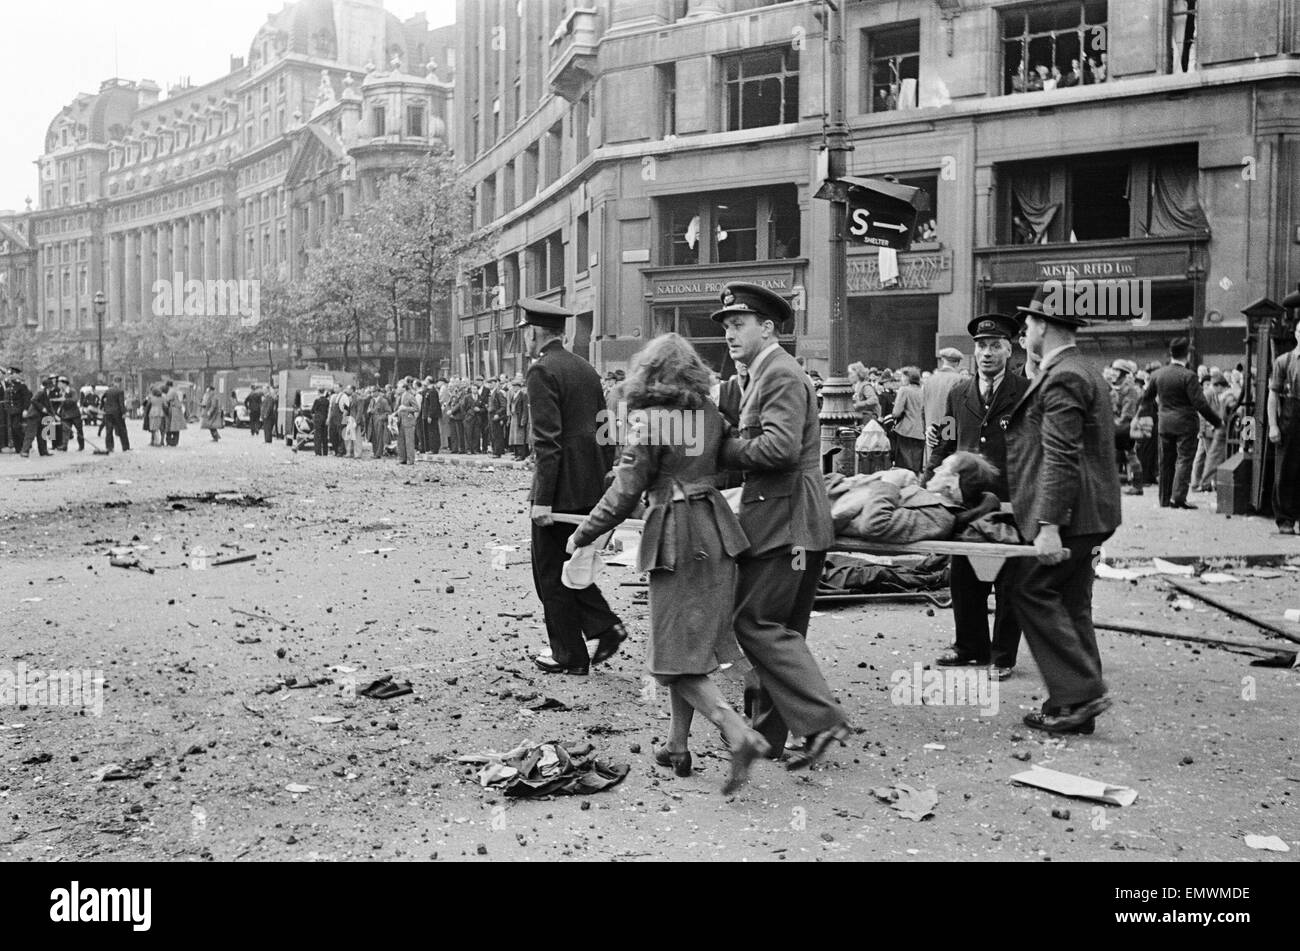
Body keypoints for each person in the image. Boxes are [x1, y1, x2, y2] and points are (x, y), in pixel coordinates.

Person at [568, 333, 768, 794]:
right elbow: (726, 461)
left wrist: (582, 535)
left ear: (648, 372)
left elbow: (624, 492)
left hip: (677, 536)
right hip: (716, 528)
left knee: (670, 656)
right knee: (687, 647)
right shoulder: (710, 413)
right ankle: (677, 745)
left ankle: (737, 732)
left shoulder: (647, 420)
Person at [712, 282, 853, 770]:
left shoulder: (779, 373)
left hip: (783, 518)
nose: (730, 334)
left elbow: (778, 449)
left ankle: (821, 717)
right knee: (783, 628)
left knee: (754, 622)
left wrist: (720, 448)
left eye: (738, 324)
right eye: (727, 326)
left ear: (767, 328)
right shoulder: (762, 373)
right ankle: (771, 732)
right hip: (790, 516)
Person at [1005, 290, 1121, 734]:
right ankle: (1072, 706)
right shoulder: (1078, 369)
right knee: (1071, 604)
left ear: (1044, 326)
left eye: (1029, 324)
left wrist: (1048, 525)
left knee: (1031, 591)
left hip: (1072, 515)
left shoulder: (1064, 376)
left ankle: (1081, 694)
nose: (1025, 332)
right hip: (1091, 513)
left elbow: (1061, 456)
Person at [521, 297, 626, 676]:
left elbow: (547, 442)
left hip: (559, 490)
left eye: (526, 333)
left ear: (534, 333)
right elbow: (604, 431)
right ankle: (602, 626)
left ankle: (569, 654)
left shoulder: (541, 371)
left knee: (549, 572)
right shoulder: (586, 369)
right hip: (587, 487)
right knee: (572, 563)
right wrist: (601, 482)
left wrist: (543, 500)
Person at [926, 313, 1030, 680]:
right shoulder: (959, 394)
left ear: (1009, 349)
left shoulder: (1026, 391)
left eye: (995, 346)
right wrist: (931, 479)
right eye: (981, 346)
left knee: (1009, 580)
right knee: (965, 576)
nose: (986, 353)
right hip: (969, 501)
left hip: (1012, 499)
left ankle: (1002, 656)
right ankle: (971, 647)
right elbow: (947, 440)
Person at [1144, 337, 1221, 509]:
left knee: (1165, 461)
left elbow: (1146, 399)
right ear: (1187, 355)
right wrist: (1217, 422)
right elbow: (1200, 404)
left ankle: (1164, 499)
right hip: (1185, 424)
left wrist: (1160, 412)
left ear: (1171, 353)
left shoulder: (1158, 374)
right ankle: (1177, 498)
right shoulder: (1189, 376)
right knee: (1184, 459)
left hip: (1164, 424)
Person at [1267, 319, 1300, 533]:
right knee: (1286, 471)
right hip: (1290, 418)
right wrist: (1273, 426)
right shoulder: (1284, 361)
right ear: (1296, 334)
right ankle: (1285, 519)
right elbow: (1273, 396)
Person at [921, 347, 965, 467]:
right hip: (950, 432)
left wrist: (926, 428)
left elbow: (923, 409)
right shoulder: (960, 380)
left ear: (942, 360)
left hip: (931, 431)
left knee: (932, 469)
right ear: (957, 363)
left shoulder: (928, 381)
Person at [1110, 360, 1143, 492]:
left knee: (1131, 454)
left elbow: (1127, 412)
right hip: (1117, 425)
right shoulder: (1116, 387)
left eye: (1116, 370)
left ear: (1122, 373)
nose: (1113, 373)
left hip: (1124, 426)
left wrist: (1115, 423)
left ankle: (1137, 485)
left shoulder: (1129, 389)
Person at [891, 367, 926, 471]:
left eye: (902, 376)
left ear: (907, 378)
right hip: (920, 431)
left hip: (905, 430)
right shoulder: (923, 391)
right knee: (916, 464)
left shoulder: (904, 390)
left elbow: (896, 412)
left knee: (904, 465)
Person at [20, 376, 55, 458]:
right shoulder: (41, 392)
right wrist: (42, 408)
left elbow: (49, 405)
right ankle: (24, 451)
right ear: (47, 386)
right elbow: (33, 400)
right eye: (50, 386)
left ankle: (43, 451)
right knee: (30, 434)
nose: (51, 388)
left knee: (42, 434)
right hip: (34, 416)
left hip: (40, 417)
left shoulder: (46, 393)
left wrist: (53, 415)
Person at [100, 378, 130, 452]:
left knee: (109, 430)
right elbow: (121, 403)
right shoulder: (120, 391)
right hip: (117, 413)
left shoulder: (107, 391)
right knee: (122, 430)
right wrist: (124, 413)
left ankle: (109, 447)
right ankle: (125, 447)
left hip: (108, 413)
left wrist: (103, 408)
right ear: (119, 383)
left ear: (113, 382)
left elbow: (102, 399)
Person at [56, 377, 84, 451]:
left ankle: (81, 446)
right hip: (65, 415)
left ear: (64, 383)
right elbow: (61, 402)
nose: (58, 384)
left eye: (59, 383)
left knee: (79, 430)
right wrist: (59, 409)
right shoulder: (60, 392)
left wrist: (65, 400)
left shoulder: (72, 391)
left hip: (74, 414)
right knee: (65, 430)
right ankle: (64, 446)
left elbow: (75, 400)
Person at [395, 382, 418, 465]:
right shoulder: (399, 397)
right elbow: (398, 408)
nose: (397, 389)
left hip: (408, 421)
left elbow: (416, 408)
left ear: (404, 388)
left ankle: (410, 459)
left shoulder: (410, 396)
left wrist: (406, 408)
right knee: (401, 441)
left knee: (409, 442)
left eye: (399, 387)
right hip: (401, 421)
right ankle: (402, 458)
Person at [418, 377, 442, 457]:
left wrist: (430, 415)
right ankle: (427, 448)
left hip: (431, 415)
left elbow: (433, 405)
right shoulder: (426, 391)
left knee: (432, 432)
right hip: (425, 415)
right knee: (427, 432)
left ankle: (433, 448)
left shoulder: (433, 392)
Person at [507, 376, 529, 461]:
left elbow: (525, 409)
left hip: (519, 418)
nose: (514, 388)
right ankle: (516, 454)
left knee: (520, 437)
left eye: (516, 386)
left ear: (519, 387)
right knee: (513, 437)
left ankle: (521, 455)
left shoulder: (523, 395)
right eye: (513, 386)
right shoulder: (513, 395)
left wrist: (523, 420)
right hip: (513, 417)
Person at [369, 387, 391, 459]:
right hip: (372, 420)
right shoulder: (372, 400)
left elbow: (388, 412)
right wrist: (369, 411)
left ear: (378, 392)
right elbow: (369, 409)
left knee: (379, 437)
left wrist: (381, 418)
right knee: (374, 437)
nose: (372, 393)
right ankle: (375, 452)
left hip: (380, 421)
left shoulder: (383, 401)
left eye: (374, 392)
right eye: (371, 392)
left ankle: (378, 453)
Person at [310, 389, 330, 457]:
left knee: (317, 436)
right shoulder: (327, 401)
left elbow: (312, 411)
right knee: (324, 436)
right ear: (324, 392)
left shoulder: (317, 401)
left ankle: (318, 452)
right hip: (325, 419)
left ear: (318, 393)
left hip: (318, 419)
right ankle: (325, 452)